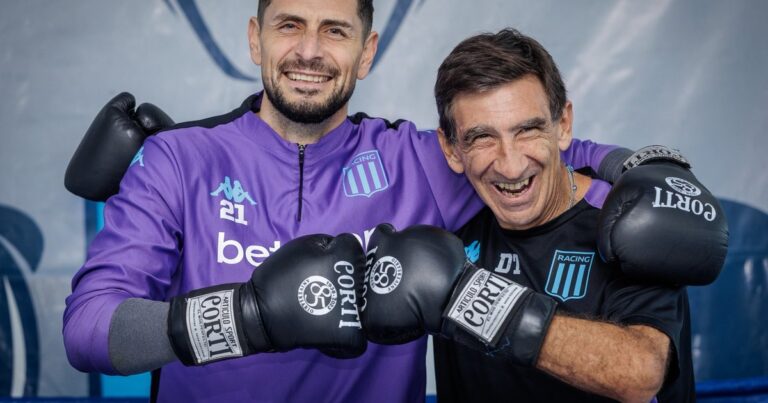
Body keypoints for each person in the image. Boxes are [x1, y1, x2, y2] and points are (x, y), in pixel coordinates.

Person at [62, 1, 725, 402]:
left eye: (337, 30)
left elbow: (528, 145)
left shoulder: (417, 160)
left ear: (367, 50)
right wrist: (248, 316)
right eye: (290, 24)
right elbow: (88, 330)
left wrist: (641, 168)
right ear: (256, 38)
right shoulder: (179, 159)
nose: (311, 51)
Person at [360, 28, 726, 402]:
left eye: (527, 130)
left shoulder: (627, 222)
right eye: (482, 137)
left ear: (563, 125)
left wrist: (469, 300)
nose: (511, 164)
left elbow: (640, 372)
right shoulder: (451, 220)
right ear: (451, 149)